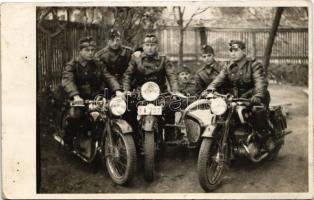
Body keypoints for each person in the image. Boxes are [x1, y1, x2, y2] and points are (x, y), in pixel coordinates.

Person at [122, 33, 181, 140]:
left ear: (157, 46)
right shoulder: (136, 59)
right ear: (143, 46)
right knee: (128, 107)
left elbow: (172, 75)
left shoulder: (163, 59)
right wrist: (126, 90)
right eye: (147, 45)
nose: (150, 48)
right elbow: (127, 75)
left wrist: (175, 90)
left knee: (172, 105)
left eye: (152, 45)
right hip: (140, 93)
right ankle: (132, 137)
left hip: (160, 94)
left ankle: (170, 136)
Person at [61, 36, 105, 157]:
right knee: (76, 115)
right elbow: (67, 80)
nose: (90, 53)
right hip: (79, 99)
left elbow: (108, 77)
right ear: (80, 50)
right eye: (87, 50)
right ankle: (69, 142)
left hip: (95, 98)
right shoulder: (72, 64)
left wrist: (118, 90)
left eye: (92, 50)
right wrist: (75, 96)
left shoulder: (97, 64)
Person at [203, 40, 270, 106]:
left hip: (252, 100)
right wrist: (208, 90)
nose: (233, 53)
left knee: (257, 112)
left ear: (243, 51)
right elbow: (219, 79)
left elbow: (260, 82)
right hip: (235, 101)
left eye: (236, 50)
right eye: (231, 51)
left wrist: (258, 96)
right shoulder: (228, 66)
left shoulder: (253, 64)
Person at [95, 28, 134, 97]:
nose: (115, 43)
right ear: (107, 41)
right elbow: (106, 74)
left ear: (121, 40)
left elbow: (130, 71)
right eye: (111, 40)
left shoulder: (129, 52)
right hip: (108, 86)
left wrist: (126, 88)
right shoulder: (100, 55)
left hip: (126, 85)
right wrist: (116, 89)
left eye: (117, 40)